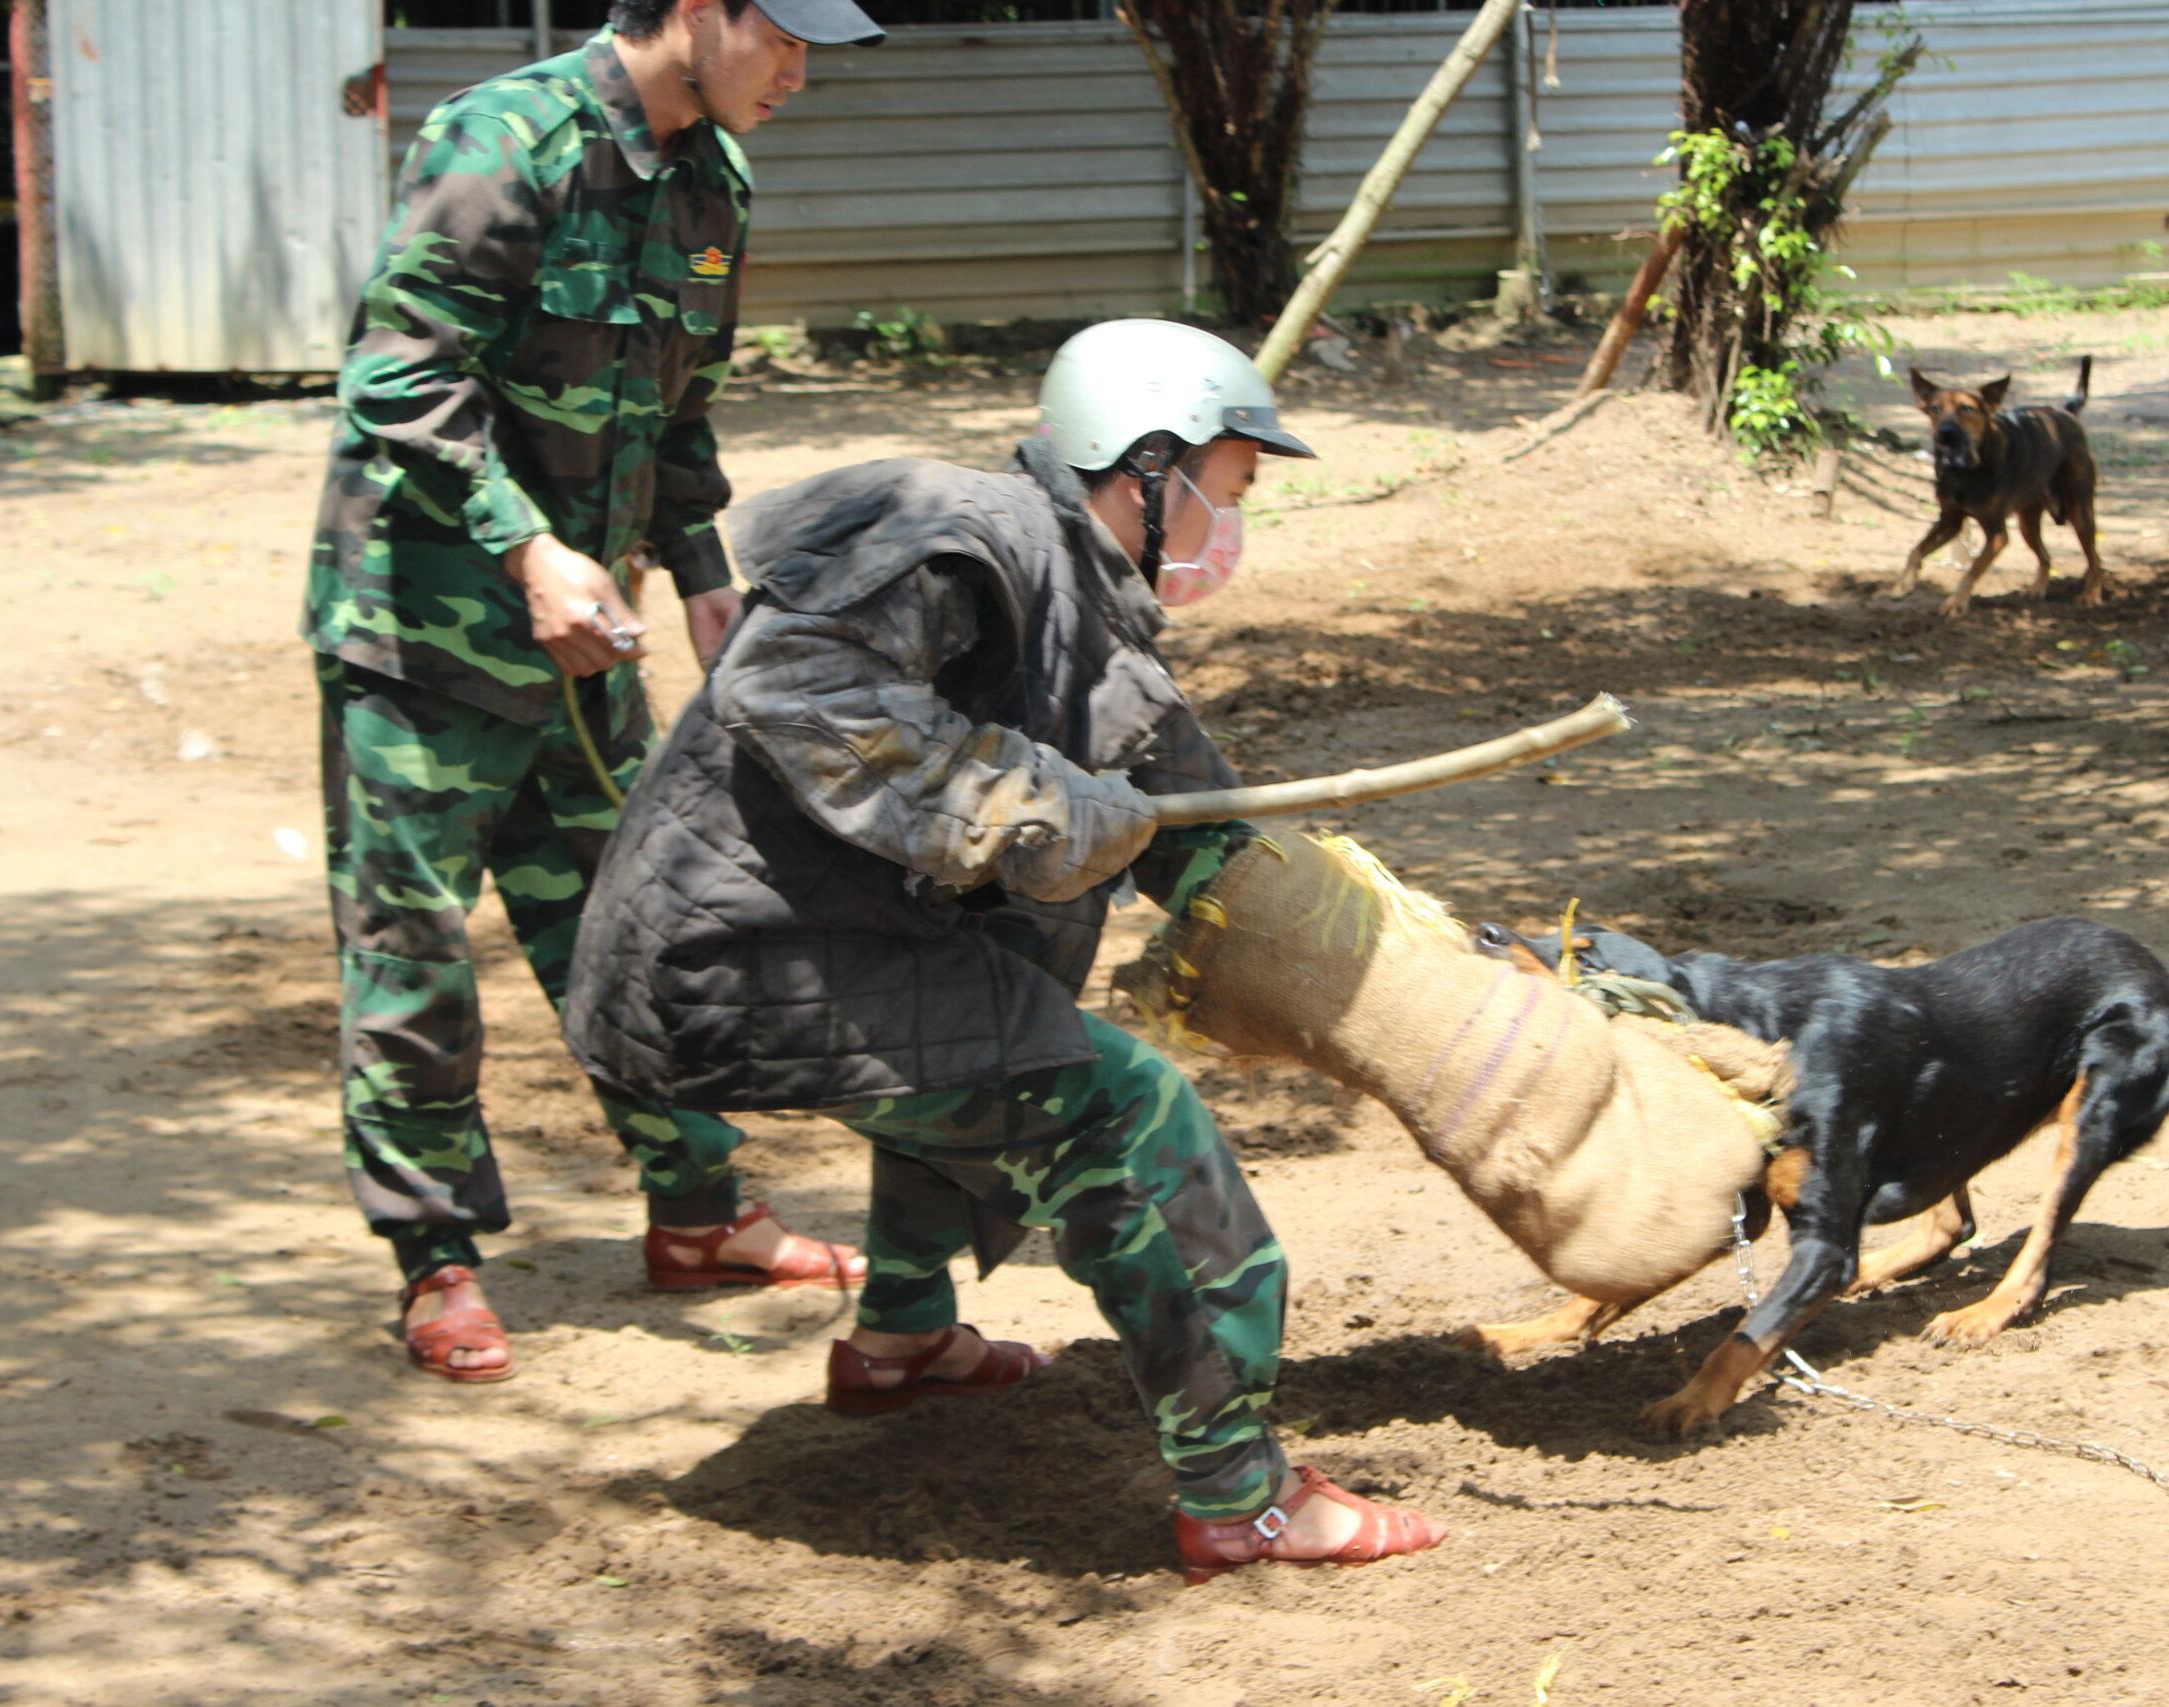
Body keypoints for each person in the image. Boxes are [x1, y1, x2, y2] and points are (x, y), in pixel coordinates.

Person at [562, 319, 1449, 1582]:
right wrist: (1011, 798)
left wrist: (1449, 985)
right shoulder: (958, 532)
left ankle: (903, 1340)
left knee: (988, 1032)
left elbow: (1200, 835)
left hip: (812, 954)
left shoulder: (1092, 614)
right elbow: (792, 681)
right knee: (1125, 1116)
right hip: (732, 960)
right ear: (1150, 464)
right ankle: (1242, 1493)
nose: (1231, 527)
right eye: (1231, 490)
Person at [301, 0, 886, 1384]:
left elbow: (677, 409)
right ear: (695, 12)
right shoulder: (506, 138)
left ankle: (696, 1208)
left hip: (589, 639)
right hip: (423, 635)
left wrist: (701, 570)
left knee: (638, 928)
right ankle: (436, 1258)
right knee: (415, 956)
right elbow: (400, 366)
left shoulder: (710, 177)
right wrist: (526, 543)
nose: (799, 71)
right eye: (783, 38)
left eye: (818, 48)